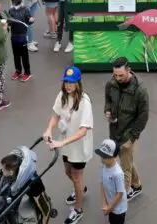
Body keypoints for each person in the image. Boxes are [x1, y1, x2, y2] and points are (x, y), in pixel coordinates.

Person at [43, 66, 94, 224]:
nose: (68, 85)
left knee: (77, 177)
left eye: (71, 82)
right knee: (67, 172)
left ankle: (78, 210)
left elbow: (83, 131)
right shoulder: (62, 96)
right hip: (66, 144)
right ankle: (80, 189)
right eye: (66, 82)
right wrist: (49, 130)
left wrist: (61, 142)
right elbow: (55, 115)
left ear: (78, 83)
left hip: (79, 148)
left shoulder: (85, 102)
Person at [104, 58, 149, 201]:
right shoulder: (111, 83)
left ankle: (120, 200)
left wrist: (132, 138)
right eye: (115, 75)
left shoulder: (140, 90)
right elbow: (108, 100)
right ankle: (137, 186)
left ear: (129, 70)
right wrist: (107, 111)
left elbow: (143, 116)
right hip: (114, 130)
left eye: (121, 75)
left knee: (125, 170)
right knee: (126, 160)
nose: (117, 78)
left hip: (128, 134)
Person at [96, 139, 128, 224]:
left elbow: (119, 194)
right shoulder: (103, 166)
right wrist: (104, 204)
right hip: (110, 204)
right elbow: (102, 183)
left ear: (114, 156)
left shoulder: (117, 173)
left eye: (105, 157)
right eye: (101, 156)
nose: (102, 159)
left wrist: (109, 208)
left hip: (118, 209)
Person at [8, 0, 33, 81]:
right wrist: (7, 23)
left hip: (22, 37)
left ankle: (27, 72)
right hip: (14, 36)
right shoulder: (10, 11)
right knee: (16, 55)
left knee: (24, 56)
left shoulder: (25, 10)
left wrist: (31, 20)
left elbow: (29, 20)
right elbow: (9, 23)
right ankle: (18, 71)